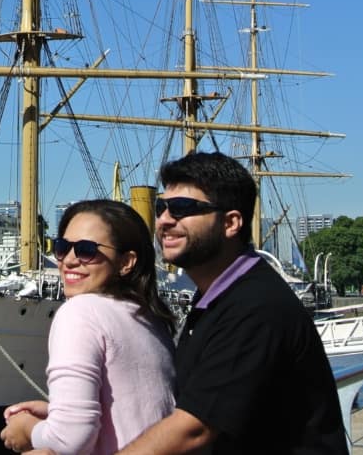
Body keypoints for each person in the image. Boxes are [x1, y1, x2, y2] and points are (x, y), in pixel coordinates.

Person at [118, 151, 347, 454]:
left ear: (231, 223)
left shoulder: (256, 307)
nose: (163, 220)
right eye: (161, 207)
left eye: (183, 208)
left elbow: (194, 427)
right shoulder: (217, 297)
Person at [1, 199, 176, 454]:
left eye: (86, 250)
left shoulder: (80, 312)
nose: (69, 260)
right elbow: (135, 411)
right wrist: (57, 412)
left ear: (126, 262)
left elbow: (69, 440)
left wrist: (25, 428)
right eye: (62, 247)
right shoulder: (152, 320)